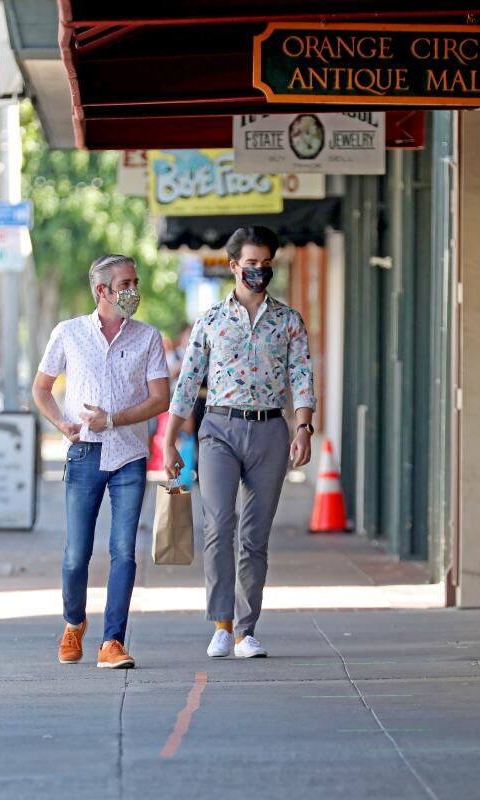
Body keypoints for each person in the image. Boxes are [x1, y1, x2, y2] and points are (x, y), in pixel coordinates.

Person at [163, 226, 316, 659]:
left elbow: (302, 377)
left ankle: (248, 631)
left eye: (266, 264)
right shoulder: (210, 322)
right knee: (218, 526)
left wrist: (302, 428)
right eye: (251, 264)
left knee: (254, 536)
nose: (259, 272)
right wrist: (171, 441)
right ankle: (222, 625)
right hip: (218, 431)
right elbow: (188, 380)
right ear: (234, 267)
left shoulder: (289, 321)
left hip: (270, 430)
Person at [32, 254, 170, 670]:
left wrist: (114, 420)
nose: (133, 291)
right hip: (84, 453)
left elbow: (160, 398)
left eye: (135, 282)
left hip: (129, 455)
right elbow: (41, 389)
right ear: (102, 291)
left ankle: (113, 641)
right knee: (77, 554)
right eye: (125, 284)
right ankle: (74, 624)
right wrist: (63, 424)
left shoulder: (147, 337)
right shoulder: (69, 333)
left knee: (124, 551)